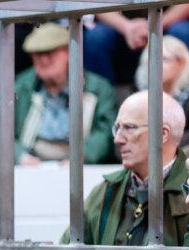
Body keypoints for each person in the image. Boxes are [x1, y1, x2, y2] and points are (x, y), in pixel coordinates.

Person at [60, 91, 189, 246]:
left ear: (162, 134)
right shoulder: (104, 192)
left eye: (129, 127)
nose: (117, 139)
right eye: (117, 128)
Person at [15, 23, 117, 165]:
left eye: (50, 53)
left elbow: (105, 135)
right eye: (38, 54)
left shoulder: (99, 87)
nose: (44, 60)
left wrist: (79, 159)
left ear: (69, 52)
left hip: (81, 167)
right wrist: (20, 156)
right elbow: (4, 132)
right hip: (31, 166)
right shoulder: (21, 85)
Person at [133, 35, 189, 153]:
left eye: (163, 59)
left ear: (181, 62)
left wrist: (162, 146)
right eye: (148, 61)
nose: (154, 66)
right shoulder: (137, 100)